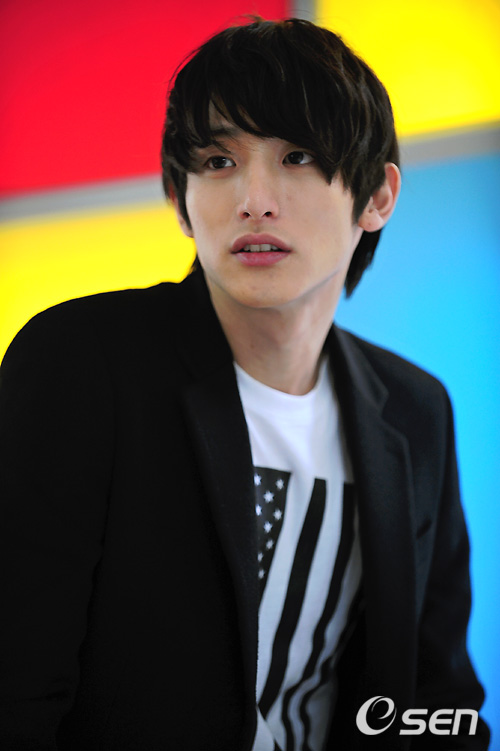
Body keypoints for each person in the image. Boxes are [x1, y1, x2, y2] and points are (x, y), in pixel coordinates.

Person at [0, 17, 489, 751]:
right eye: (218, 161)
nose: (254, 199)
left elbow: (437, 698)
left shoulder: (416, 410)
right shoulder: (81, 362)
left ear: (377, 196)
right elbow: (16, 685)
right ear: (179, 196)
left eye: (297, 156)